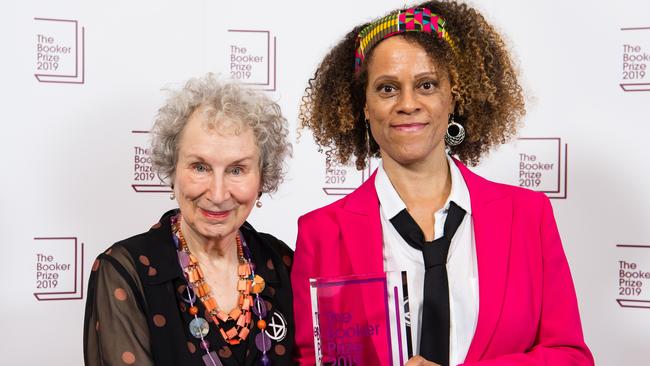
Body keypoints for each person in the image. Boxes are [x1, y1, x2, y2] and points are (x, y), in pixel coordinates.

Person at [292, 1, 594, 365]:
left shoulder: (528, 216)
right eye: (387, 89)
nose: (408, 103)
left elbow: (570, 356)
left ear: (453, 96)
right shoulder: (322, 233)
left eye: (427, 85)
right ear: (365, 107)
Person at [84, 74, 294, 366]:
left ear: (262, 177)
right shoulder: (125, 271)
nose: (218, 194)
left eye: (237, 170)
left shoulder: (283, 262)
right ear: (172, 170)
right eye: (200, 167)